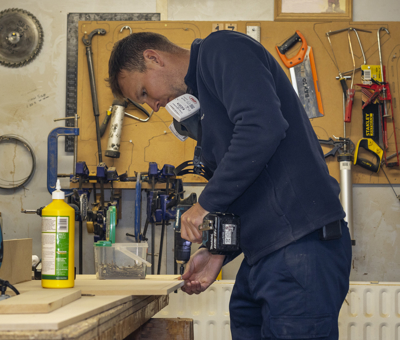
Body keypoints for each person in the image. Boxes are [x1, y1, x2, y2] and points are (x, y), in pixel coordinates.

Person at [107, 30, 352, 340]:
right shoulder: (202, 106)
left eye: (143, 92)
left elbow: (262, 128)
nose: (153, 106)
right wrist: (217, 251)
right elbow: (247, 180)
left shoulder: (221, 49)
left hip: (300, 246)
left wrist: (204, 205)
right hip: (264, 254)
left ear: (153, 58)